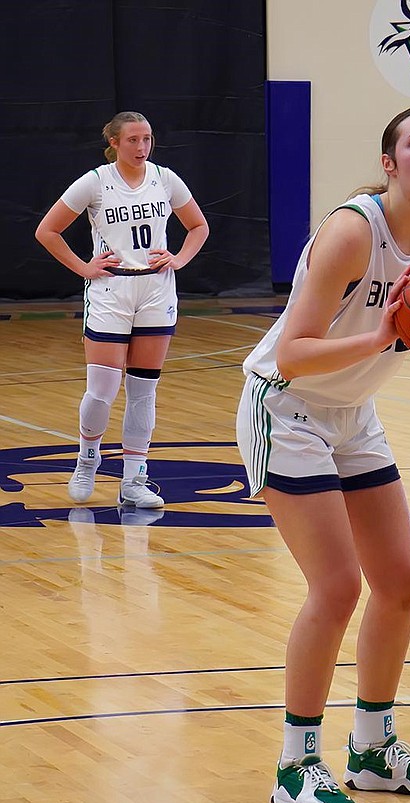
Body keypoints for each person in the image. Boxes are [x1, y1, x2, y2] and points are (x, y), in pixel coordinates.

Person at [236, 106, 410, 803]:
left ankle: (371, 749)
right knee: (336, 587)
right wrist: (386, 332)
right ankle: (295, 765)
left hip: (353, 415)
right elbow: (292, 352)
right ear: (389, 163)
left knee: (402, 581)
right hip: (285, 407)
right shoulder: (353, 232)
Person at [35, 111, 209, 510]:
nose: (142, 147)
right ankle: (87, 458)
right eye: (133, 139)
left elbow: (198, 226)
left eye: (147, 138)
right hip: (111, 290)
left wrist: (179, 258)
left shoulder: (165, 178)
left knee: (143, 391)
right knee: (102, 392)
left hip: (155, 289)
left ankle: (134, 479)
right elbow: (47, 230)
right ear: (114, 142)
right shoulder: (95, 181)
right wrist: (84, 267)